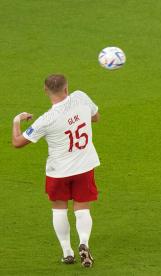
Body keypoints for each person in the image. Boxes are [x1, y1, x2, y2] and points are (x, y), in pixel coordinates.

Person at [11, 74, 100, 267]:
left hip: (58, 171)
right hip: (84, 166)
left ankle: (67, 252)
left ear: (45, 91)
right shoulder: (81, 97)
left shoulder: (46, 120)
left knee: (59, 209)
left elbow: (17, 142)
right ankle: (84, 243)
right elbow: (96, 117)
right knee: (82, 207)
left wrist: (17, 120)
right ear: (66, 88)